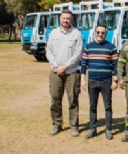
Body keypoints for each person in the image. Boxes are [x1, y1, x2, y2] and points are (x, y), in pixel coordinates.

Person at [46, 9, 83, 137]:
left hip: (71, 72)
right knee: (55, 99)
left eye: (68, 19)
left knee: (73, 99)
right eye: (64, 18)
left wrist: (66, 66)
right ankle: (56, 124)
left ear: (71, 20)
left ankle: (74, 126)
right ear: (60, 19)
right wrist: (57, 66)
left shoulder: (76, 34)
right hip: (55, 71)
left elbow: (78, 53)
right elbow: (48, 50)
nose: (66, 21)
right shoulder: (53, 33)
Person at [80, 24, 118, 140]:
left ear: (106, 34)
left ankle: (108, 129)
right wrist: (82, 80)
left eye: (103, 33)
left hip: (106, 81)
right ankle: (93, 129)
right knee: (92, 106)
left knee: (108, 106)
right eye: (98, 32)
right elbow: (83, 64)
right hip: (92, 80)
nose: (100, 34)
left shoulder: (111, 47)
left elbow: (115, 65)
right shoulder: (88, 47)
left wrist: (115, 80)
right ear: (95, 33)